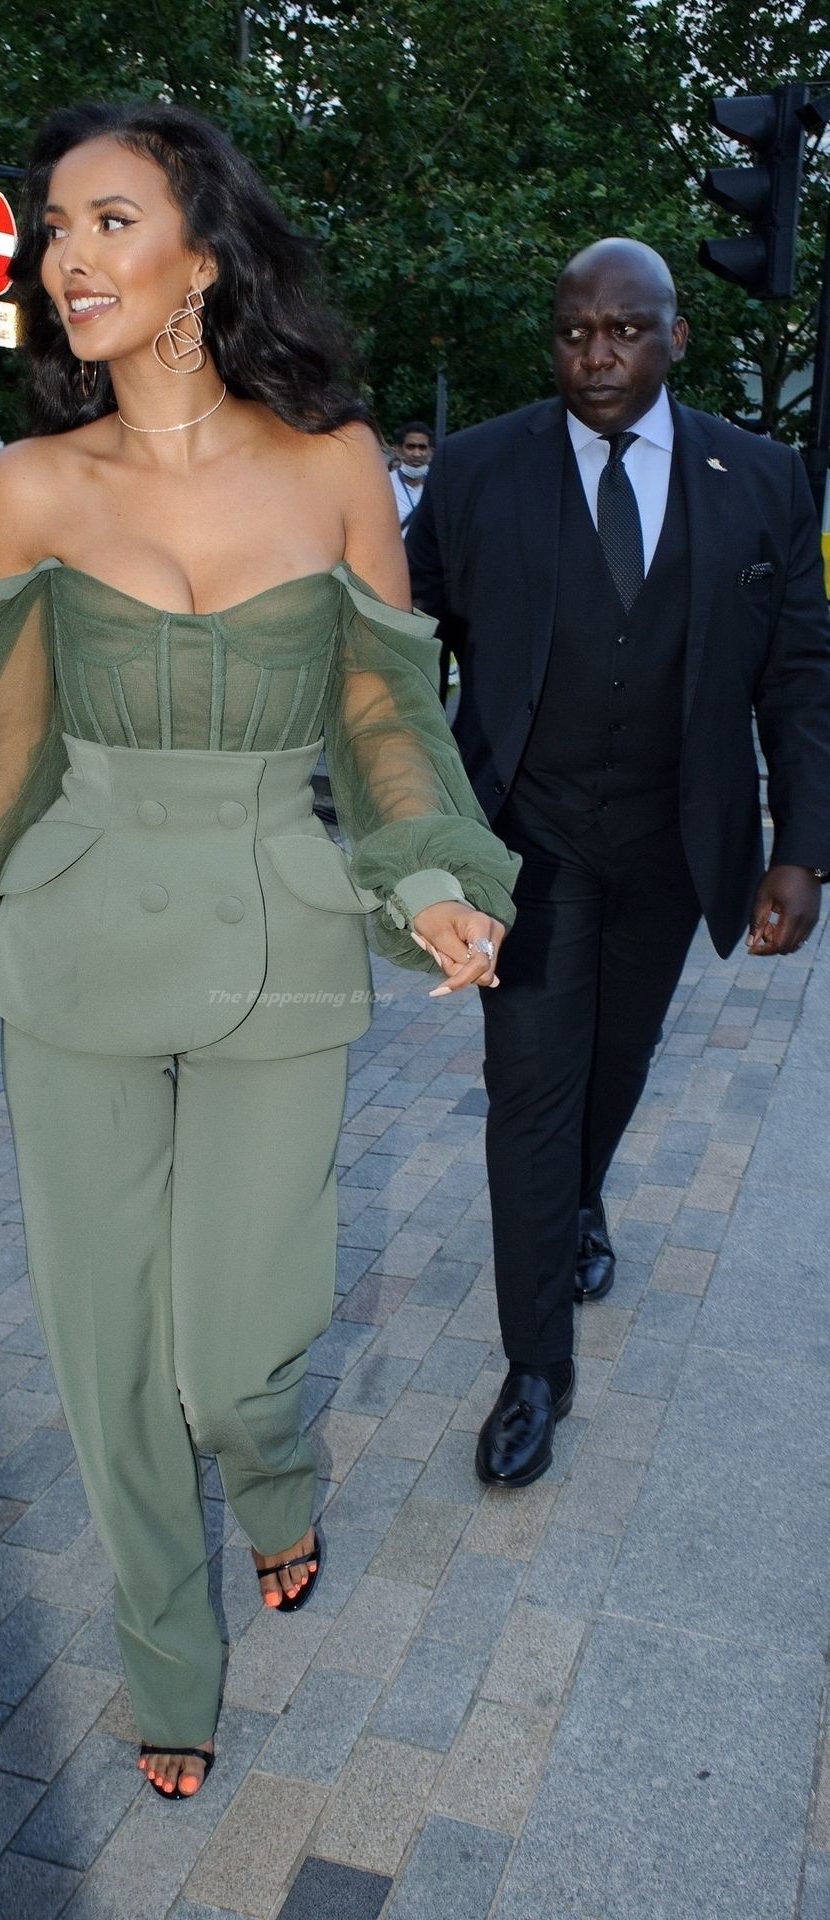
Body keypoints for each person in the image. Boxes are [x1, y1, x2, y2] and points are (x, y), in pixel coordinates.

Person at [0, 101, 519, 1799]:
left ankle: (272, 1470)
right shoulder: (27, 489)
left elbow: (383, 707)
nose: (66, 258)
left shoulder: (332, 464)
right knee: (104, 1351)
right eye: (52, 229)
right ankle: (166, 1645)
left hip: (275, 932)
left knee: (228, 1361)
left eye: (109, 222)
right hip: (77, 936)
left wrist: (432, 880)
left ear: (203, 259)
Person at [407, 238, 830, 1489]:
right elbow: (399, 655)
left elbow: (800, 673)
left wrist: (805, 850)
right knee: (531, 1090)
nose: (598, 355)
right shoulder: (480, 470)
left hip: (672, 842)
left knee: (616, 1063)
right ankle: (537, 1365)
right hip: (525, 846)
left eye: (626, 330)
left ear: (675, 337)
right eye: (576, 332)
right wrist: (422, 828)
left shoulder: (760, 477)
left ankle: (579, 1197)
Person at [390, 419, 432, 531]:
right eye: (410, 447)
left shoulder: (440, 488)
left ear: (430, 452)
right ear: (398, 451)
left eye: (422, 447)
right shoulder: (384, 485)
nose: (417, 454)